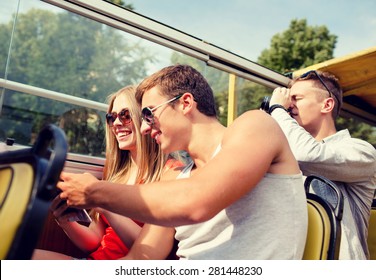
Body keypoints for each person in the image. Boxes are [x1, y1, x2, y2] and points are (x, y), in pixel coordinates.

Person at [57, 64, 308, 260]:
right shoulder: (177, 180)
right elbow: (141, 259)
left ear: (186, 103)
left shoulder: (256, 125)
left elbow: (197, 202)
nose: (143, 127)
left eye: (148, 114)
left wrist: (95, 192)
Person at [33, 85, 182, 260]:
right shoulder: (116, 172)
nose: (117, 123)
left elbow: (148, 253)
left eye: (125, 116)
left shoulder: (170, 173)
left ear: (144, 119)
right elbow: (96, 241)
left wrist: (105, 204)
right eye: (111, 117)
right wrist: (65, 221)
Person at [268, 70, 376, 259]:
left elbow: (307, 155)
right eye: (287, 101)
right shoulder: (286, 152)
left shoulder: (362, 151)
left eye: (296, 98)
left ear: (327, 105)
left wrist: (277, 109)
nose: (288, 106)